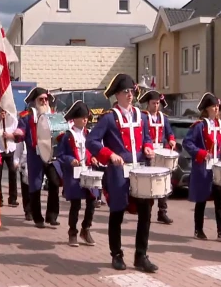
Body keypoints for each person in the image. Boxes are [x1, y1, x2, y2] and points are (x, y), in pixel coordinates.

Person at [86, 73, 157, 272]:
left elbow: (146, 138)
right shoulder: (109, 118)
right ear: (117, 94)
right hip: (118, 173)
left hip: (139, 171)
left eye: (132, 91)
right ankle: (116, 254)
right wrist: (109, 155)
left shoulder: (141, 116)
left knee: (146, 213)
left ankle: (141, 255)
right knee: (117, 213)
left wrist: (148, 147)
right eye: (125, 92)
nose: (130, 95)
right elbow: (92, 141)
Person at [184, 93, 221, 242]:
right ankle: (198, 230)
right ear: (207, 109)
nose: (216, 109)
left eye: (218, 106)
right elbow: (187, 143)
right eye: (213, 106)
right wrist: (201, 153)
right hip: (203, 168)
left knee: (220, 199)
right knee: (202, 199)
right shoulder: (199, 126)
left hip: (217, 168)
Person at [13, 87, 62, 229]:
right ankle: (37, 217)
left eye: (46, 99)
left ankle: (52, 216)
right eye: (41, 99)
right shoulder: (27, 116)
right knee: (35, 185)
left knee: (54, 182)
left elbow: (60, 133)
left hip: (51, 155)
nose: (44, 101)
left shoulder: (53, 116)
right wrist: (18, 133)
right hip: (35, 155)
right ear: (35, 101)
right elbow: (21, 131)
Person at [57, 101, 98, 247]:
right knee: (76, 204)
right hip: (74, 174)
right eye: (82, 117)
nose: (85, 119)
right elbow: (61, 155)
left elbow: (92, 150)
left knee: (92, 202)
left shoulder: (89, 134)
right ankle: (72, 232)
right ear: (74, 119)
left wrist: (93, 157)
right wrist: (71, 160)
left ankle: (85, 229)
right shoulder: (67, 135)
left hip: (88, 172)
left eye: (86, 117)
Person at [139, 90, 175, 225]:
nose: (156, 106)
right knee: (149, 183)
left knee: (163, 182)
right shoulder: (143, 117)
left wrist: (171, 140)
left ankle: (162, 212)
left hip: (161, 152)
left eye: (157, 103)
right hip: (148, 153)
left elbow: (169, 132)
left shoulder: (163, 117)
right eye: (153, 103)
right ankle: (146, 210)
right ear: (148, 104)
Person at [0, 94, 20, 207]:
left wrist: (11, 135)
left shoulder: (13, 117)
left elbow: (18, 133)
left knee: (12, 173)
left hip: (10, 149)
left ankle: (12, 198)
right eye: (0, 103)